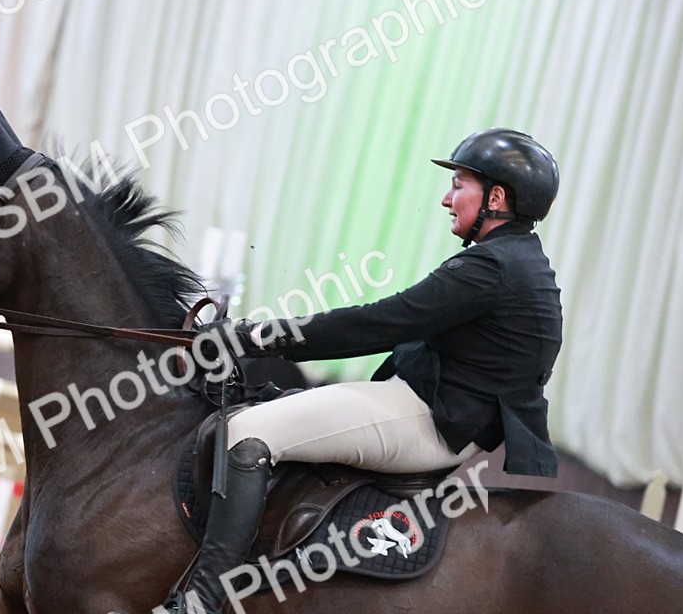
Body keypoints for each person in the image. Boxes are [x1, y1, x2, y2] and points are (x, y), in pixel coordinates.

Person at [164, 128, 562, 614]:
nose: (446, 198)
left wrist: (250, 338)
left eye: (458, 185)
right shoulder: (517, 259)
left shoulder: (493, 268)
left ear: (496, 197)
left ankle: (202, 599)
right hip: (435, 408)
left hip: (431, 422)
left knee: (245, 434)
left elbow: (376, 323)